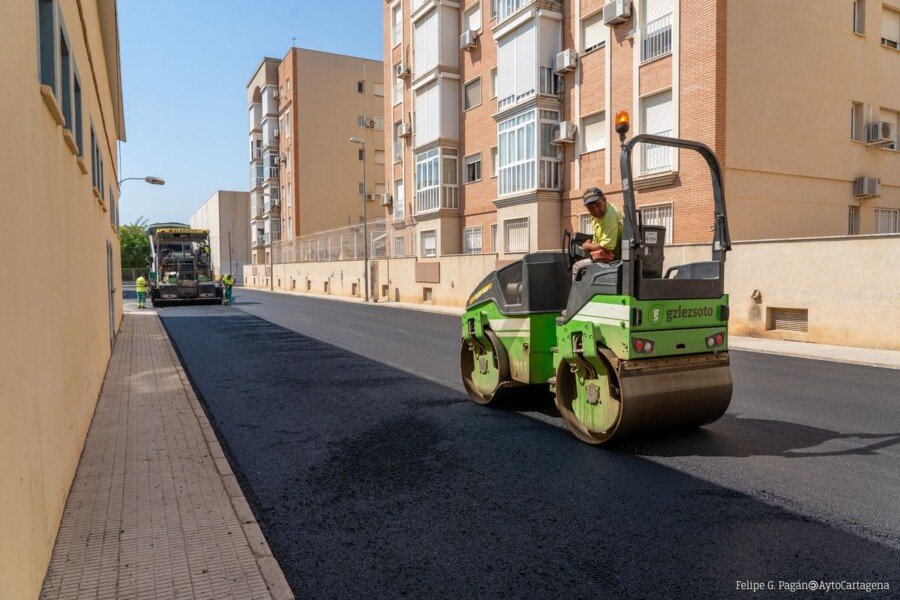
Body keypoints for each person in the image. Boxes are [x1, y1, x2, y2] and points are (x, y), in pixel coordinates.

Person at [573, 187, 624, 281]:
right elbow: (600, 237)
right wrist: (590, 244)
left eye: (598, 205)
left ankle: (580, 296)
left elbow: (608, 247)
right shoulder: (597, 215)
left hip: (614, 260)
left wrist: (587, 246)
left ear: (604, 199)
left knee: (578, 267)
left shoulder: (609, 217)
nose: (596, 210)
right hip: (608, 256)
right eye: (591, 208)